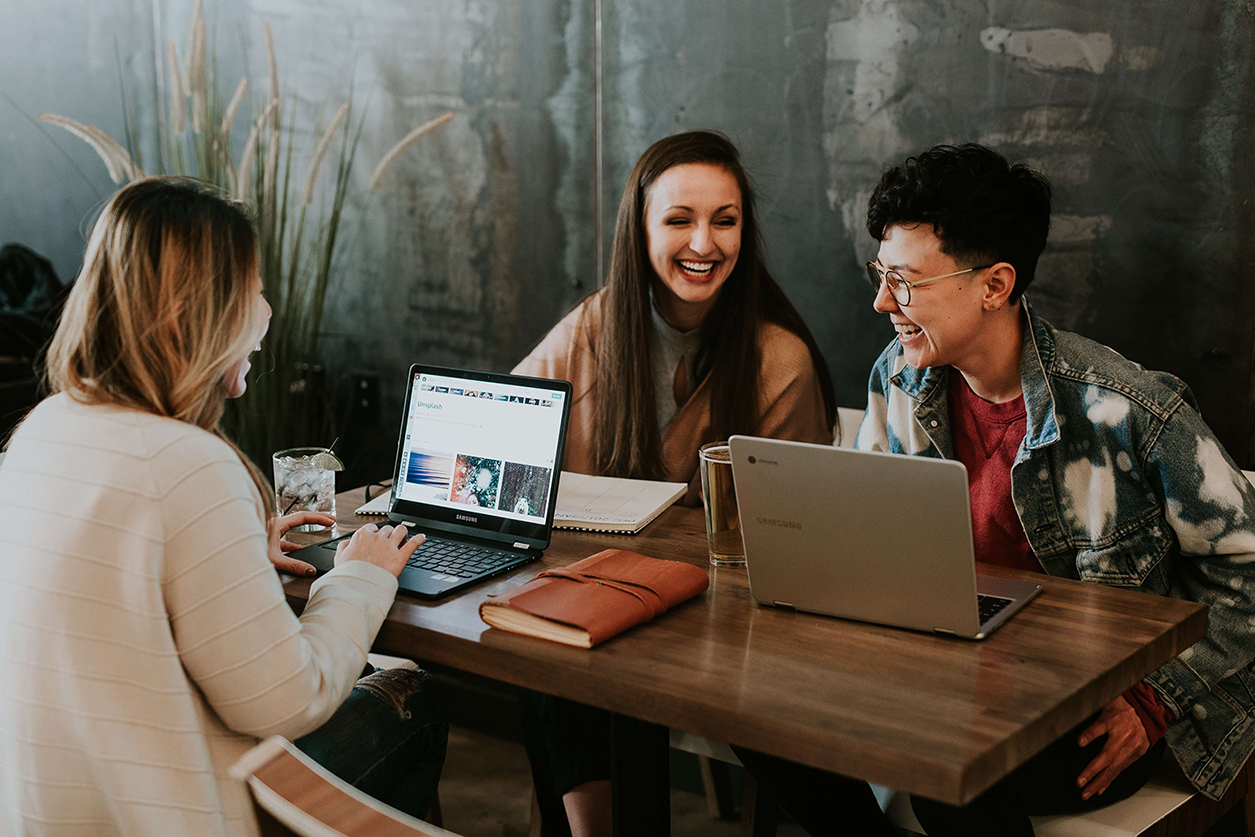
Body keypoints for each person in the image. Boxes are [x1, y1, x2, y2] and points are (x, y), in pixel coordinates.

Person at [735, 143, 1255, 836]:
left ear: (994, 284)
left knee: (951, 769)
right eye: (880, 274)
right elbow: (869, 550)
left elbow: (1244, 569)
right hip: (944, 676)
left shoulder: (1125, 409)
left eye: (905, 281)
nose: (880, 301)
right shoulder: (898, 377)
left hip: (1087, 702)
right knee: (752, 712)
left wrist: (1154, 700)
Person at [0, 178, 446, 836]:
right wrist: (361, 574)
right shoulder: (187, 462)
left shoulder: (42, 429)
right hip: (166, 815)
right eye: (253, 288)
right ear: (190, 312)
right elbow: (285, 700)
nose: (265, 309)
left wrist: (232, 547)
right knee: (415, 698)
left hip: (51, 812)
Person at [512, 130, 837, 837]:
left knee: (564, 653)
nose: (705, 242)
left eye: (725, 220)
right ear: (641, 228)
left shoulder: (778, 359)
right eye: (679, 219)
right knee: (544, 646)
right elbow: (510, 425)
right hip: (601, 601)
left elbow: (789, 538)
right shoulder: (597, 324)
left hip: (720, 625)